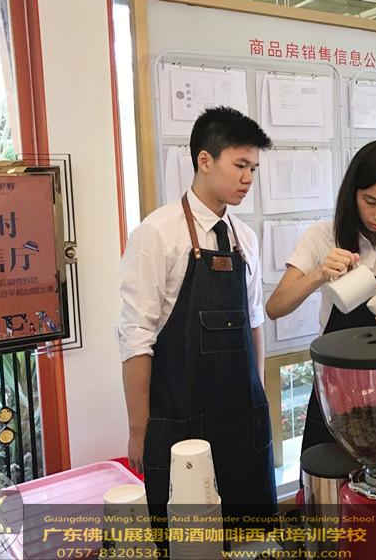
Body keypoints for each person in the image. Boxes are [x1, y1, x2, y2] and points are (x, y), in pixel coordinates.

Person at [119, 106, 276, 542]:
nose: (248, 178)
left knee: (250, 539)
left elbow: (254, 321)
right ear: (205, 160)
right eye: (240, 165)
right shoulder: (157, 234)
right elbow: (135, 338)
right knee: (189, 542)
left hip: (241, 422)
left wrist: (257, 402)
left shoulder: (245, 238)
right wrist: (139, 431)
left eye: (253, 168)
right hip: (179, 422)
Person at [265, 140, 376, 452]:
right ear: (352, 192)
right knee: (332, 473)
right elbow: (275, 307)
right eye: (370, 200)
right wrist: (320, 273)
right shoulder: (323, 236)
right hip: (335, 388)